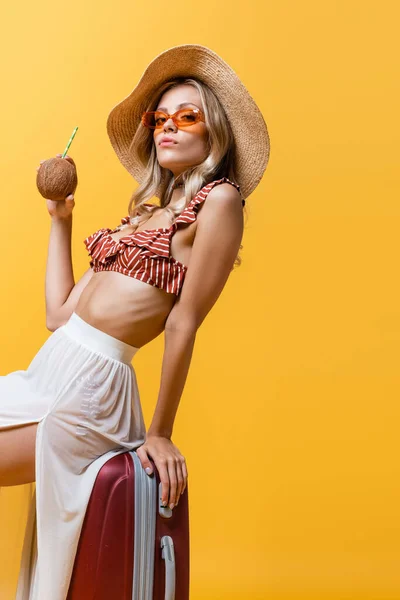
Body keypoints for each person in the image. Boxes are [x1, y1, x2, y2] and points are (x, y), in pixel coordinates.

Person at [0, 43, 270, 599]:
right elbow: (59, 314)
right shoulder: (147, 213)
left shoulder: (220, 202)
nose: (167, 128)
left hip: (93, 388)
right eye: (159, 119)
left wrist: (160, 433)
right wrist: (60, 221)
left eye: (186, 117)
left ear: (212, 131)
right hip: (51, 369)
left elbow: (183, 323)